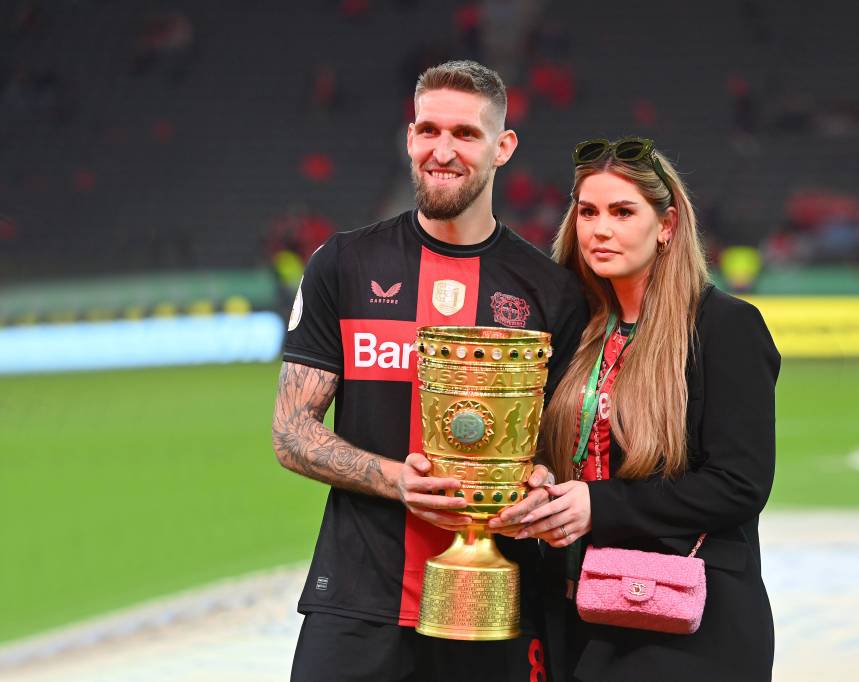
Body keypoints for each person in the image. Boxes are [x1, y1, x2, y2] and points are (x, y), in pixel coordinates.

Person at [271, 60, 588, 682]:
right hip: (360, 598)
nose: (442, 151)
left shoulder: (552, 292)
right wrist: (397, 480)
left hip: (497, 602)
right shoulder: (344, 264)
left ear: (503, 147)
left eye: (466, 134)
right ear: (410, 137)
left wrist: (544, 487)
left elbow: (567, 451)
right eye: (428, 130)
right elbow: (290, 433)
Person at [491, 137, 780, 680]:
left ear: (667, 225)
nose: (601, 229)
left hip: (688, 620)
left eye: (623, 212)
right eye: (588, 212)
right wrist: (538, 482)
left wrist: (597, 506)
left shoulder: (724, 329)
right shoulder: (568, 331)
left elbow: (740, 484)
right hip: (576, 613)